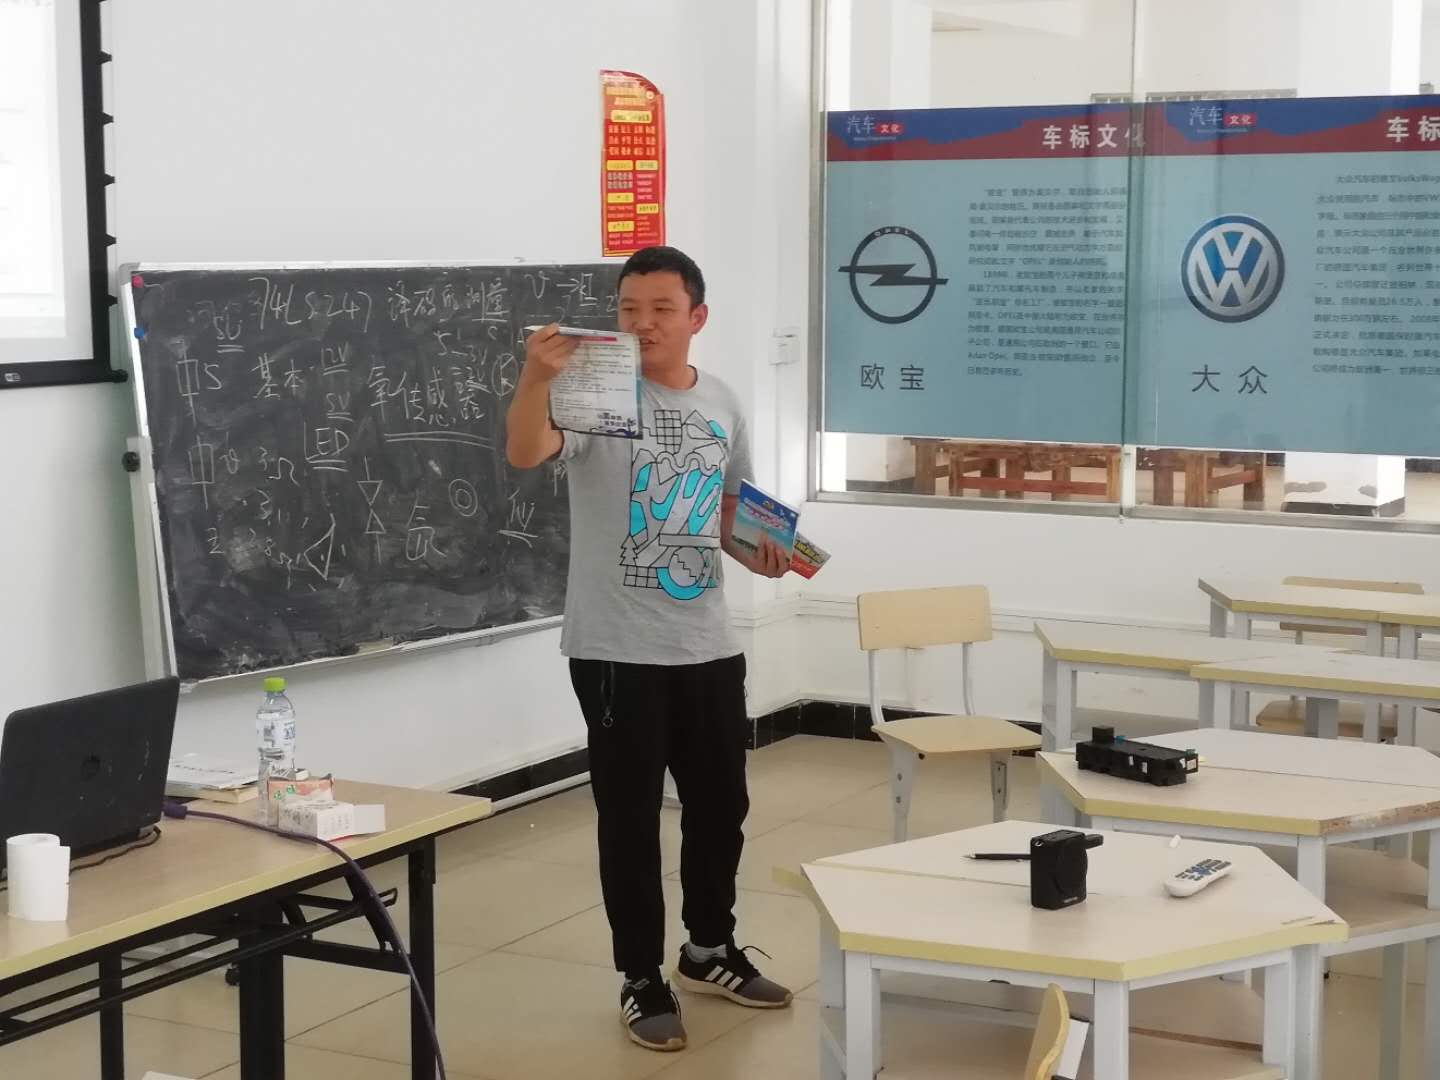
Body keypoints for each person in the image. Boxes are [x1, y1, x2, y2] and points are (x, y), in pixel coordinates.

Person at [506, 246, 793, 1052]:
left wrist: (765, 553)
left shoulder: (723, 400)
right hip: (615, 649)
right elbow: (525, 452)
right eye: (629, 308)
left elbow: (728, 508)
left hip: (708, 643)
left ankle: (709, 949)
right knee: (630, 821)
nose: (643, 323)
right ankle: (639, 975)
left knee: (721, 809)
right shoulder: (594, 392)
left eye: (662, 309)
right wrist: (534, 379)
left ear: (697, 317)